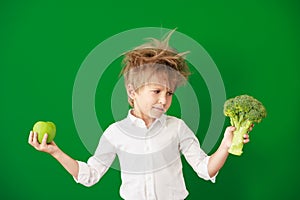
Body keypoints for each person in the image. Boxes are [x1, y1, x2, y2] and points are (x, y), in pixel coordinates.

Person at [28, 30, 251, 200]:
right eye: (156, 91)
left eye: (169, 93)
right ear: (133, 92)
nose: (164, 100)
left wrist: (225, 145)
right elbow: (91, 175)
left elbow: (205, 169)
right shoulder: (115, 133)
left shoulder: (177, 127)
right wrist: (55, 152)